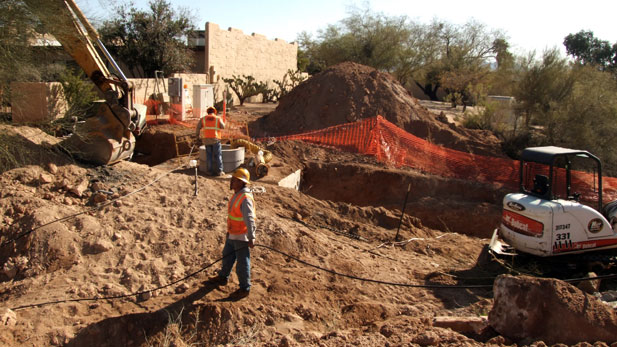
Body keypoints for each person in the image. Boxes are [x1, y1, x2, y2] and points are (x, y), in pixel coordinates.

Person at [210, 168, 256, 298]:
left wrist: (251, 237)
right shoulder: (237, 194)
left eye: (235, 180)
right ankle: (223, 277)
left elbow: (249, 219)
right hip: (232, 233)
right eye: (232, 180)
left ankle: (245, 288)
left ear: (242, 183)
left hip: (241, 236)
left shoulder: (245, 198)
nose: (231, 182)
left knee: (242, 263)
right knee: (227, 256)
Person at [195, 106, 225, 176]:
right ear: (214, 112)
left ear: (208, 112)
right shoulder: (217, 118)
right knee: (218, 156)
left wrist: (197, 136)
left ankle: (209, 171)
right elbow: (223, 126)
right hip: (215, 139)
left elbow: (198, 128)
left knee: (209, 156)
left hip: (206, 139)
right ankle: (219, 171)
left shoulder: (203, 119)